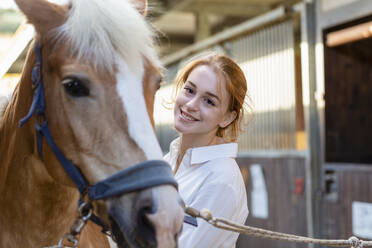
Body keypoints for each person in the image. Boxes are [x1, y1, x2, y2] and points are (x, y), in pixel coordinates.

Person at [164, 53, 250, 248]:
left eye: (209, 101)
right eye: (189, 90)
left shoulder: (221, 180)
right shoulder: (168, 161)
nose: (191, 105)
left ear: (227, 117)